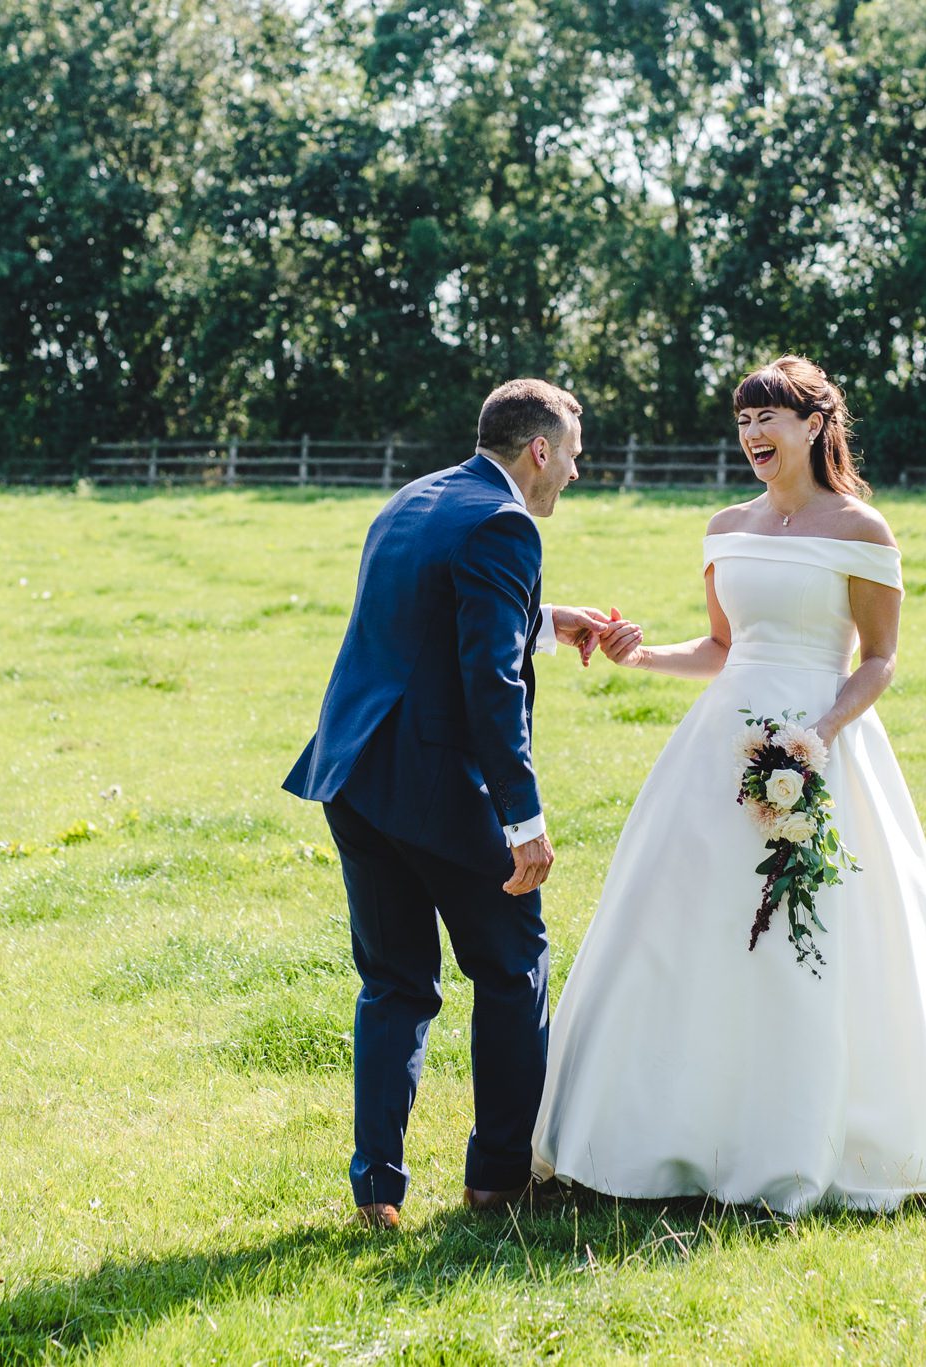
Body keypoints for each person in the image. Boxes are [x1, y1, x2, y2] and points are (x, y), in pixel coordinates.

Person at [532, 356, 926, 1212]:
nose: (754, 434)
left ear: (813, 425)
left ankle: (809, 1132)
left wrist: (818, 738)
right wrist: (639, 653)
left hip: (821, 747)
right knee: (679, 925)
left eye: (770, 418)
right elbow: (723, 648)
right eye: (743, 420)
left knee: (817, 936)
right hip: (718, 748)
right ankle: (662, 1133)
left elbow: (879, 661)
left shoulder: (862, 530)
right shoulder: (727, 525)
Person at [284, 378, 610, 1230]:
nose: (574, 474)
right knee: (513, 968)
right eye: (572, 455)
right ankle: (498, 1181)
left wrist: (547, 619)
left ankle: (377, 1191)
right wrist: (524, 821)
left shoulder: (413, 498)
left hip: (354, 775)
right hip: (438, 784)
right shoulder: (507, 524)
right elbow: (486, 679)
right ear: (539, 449)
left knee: (393, 984)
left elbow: (434, 618)